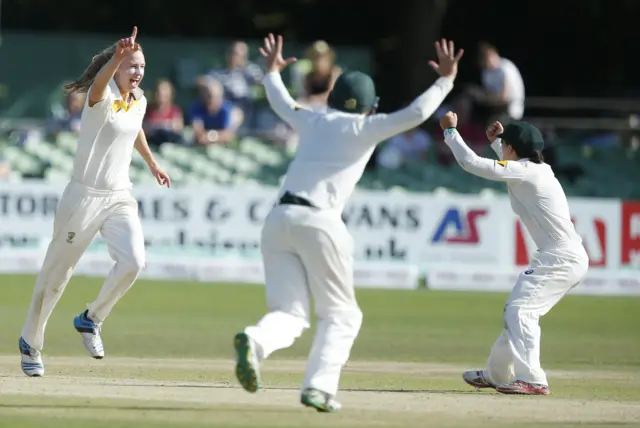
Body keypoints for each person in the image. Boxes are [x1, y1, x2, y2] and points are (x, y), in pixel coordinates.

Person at [232, 34, 463, 412]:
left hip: (278, 218)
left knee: (289, 313)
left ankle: (255, 340)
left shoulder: (313, 118)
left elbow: (281, 101)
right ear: (370, 108)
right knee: (342, 314)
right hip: (320, 220)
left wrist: (271, 72)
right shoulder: (365, 128)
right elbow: (417, 114)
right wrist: (446, 80)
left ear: (333, 98)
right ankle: (319, 388)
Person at [18, 27, 171, 377]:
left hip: (119, 196)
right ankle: (31, 342)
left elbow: (135, 128)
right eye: (131, 66)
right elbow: (100, 88)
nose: (137, 72)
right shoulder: (98, 96)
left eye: (141, 67)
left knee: (133, 262)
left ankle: (91, 319)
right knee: (57, 275)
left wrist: (151, 162)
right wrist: (117, 56)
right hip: (82, 198)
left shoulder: (140, 99)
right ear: (116, 67)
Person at [438, 112, 589, 395]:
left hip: (561, 257)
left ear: (513, 148)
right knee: (518, 315)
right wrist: (497, 141)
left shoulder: (526, 172)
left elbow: (472, 163)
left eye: (505, 144)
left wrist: (450, 133)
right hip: (561, 256)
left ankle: (532, 379)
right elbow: (512, 164)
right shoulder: (533, 169)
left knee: (520, 311)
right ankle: (496, 374)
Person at [143, 78, 184, 146]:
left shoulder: (175, 111)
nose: (161, 93)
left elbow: (178, 129)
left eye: (164, 90)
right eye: (158, 91)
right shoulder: (146, 111)